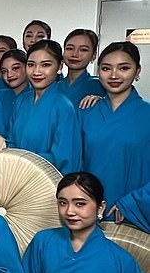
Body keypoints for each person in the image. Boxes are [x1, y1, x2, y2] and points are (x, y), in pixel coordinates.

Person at [23, 172, 150, 273]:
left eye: (79, 204)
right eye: (63, 203)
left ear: (100, 207)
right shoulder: (42, 242)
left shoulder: (120, 259)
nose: (69, 211)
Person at [80, 41, 150, 226]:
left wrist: (133, 203)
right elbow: (73, 163)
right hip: (86, 212)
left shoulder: (147, 115)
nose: (113, 75)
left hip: (130, 212)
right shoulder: (85, 112)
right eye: (106, 68)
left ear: (137, 71)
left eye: (124, 68)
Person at [8, 39, 81, 174]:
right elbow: (11, 141)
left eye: (45, 65)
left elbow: (63, 159)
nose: (36, 72)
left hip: (46, 183)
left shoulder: (64, 107)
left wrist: (22, 160)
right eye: (31, 65)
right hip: (15, 177)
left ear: (60, 66)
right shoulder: (22, 100)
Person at [58, 28, 105, 107]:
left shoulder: (100, 85)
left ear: (94, 55)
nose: (75, 54)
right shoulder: (54, 87)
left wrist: (103, 102)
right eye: (69, 48)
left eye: (83, 49)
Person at [0, 49, 29, 128]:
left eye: (15, 68)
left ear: (27, 67)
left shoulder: (37, 97)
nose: (9, 75)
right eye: (4, 71)